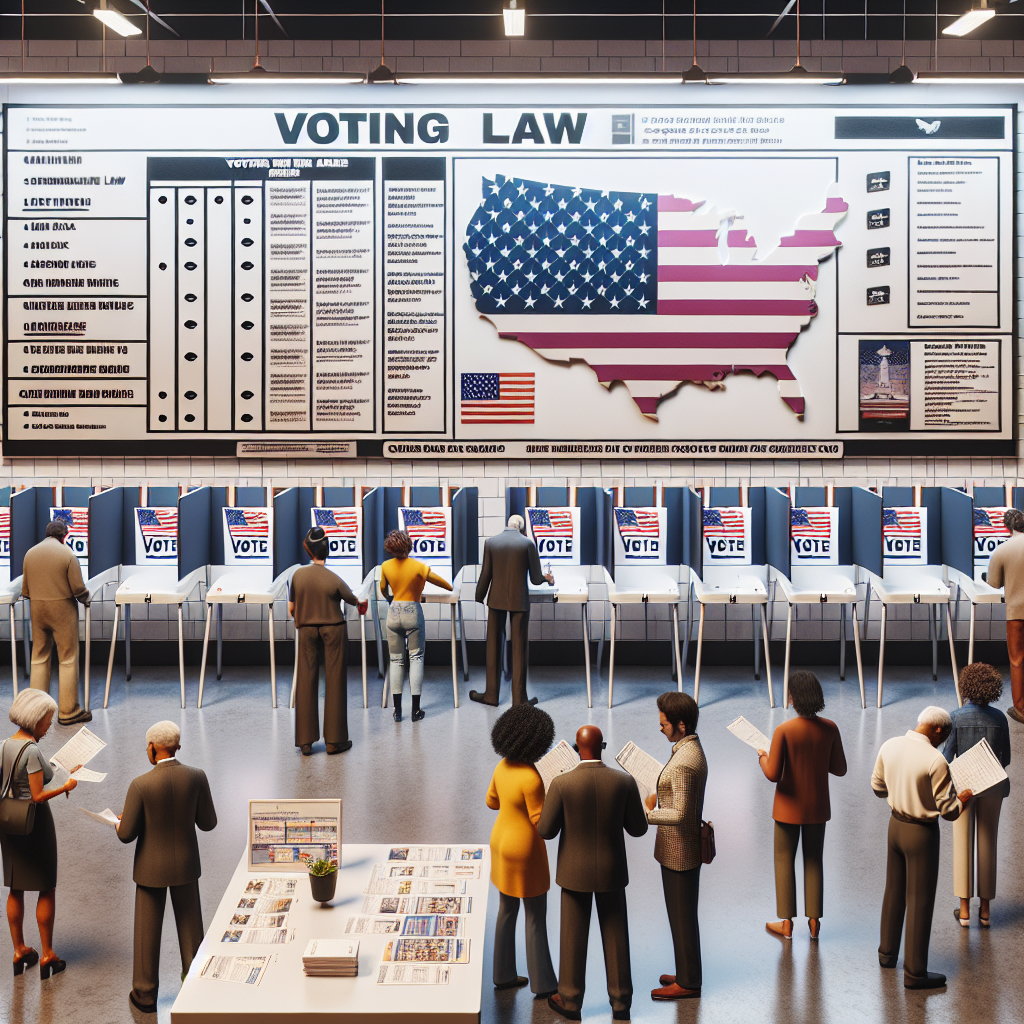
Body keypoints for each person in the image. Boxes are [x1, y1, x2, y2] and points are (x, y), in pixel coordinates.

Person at [537, 724, 648, 1022]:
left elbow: (546, 831)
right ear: (603, 746)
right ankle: (622, 1002)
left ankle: (571, 1001)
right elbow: (638, 829)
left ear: (577, 747)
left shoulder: (561, 783)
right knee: (616, 935)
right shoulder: (624, 782)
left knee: (572, 938)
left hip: (574, 874)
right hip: (613, 873)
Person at [116, 720, 217, 1014]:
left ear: (151, 748)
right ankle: (195, 988)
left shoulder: (140, 784)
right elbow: (208, 823)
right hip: (186, 866)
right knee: (191, 931)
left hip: (150, 870)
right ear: (177, 747)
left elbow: (126, 834)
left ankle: (145, 995)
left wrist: (120, 823)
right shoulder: (197, 776)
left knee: (147, 934)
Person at [871, 706, 973, 990]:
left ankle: (887, 954)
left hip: (895, 827)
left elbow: (878, 788)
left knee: (893, 891)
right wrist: (963, 799)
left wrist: (901, 789)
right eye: (944, 736)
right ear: (938, 730)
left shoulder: (889, 745)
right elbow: (949, 811)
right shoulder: (935, 760)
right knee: (920, 900)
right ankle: (915, 973)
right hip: (921, 834)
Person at [757, 671, 847, 941]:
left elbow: (773, 773)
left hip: (787, 808)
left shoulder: (784, 730)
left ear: (793, 699)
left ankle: (786, 924)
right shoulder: (830, 728)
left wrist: (763, 757)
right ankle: (814, 923)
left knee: (784, 860)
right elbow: (840, 769)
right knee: (814, 861)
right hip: (818, 808)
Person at [0, 689, 79, 979]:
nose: (49, 726)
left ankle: (19, 949)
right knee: (46, 886)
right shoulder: (32, 750)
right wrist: (66, 787)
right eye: (48, 720)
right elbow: (37, 795)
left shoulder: (4, 744)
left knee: (15, 887)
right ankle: (47, 955)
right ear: (36, 719)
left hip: (8, 824)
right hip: (34, 824)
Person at [485, 703, 558, 998]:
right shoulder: (532, 776)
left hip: (500, 841)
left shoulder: (501, 766)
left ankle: (502, 975)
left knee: (506, 909)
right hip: (525, 849)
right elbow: (541, 824)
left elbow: (491, 802)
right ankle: (543, 983)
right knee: (535, 915)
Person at [646, 692, 707, 1002]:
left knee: (681, 917)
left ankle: (688, 982)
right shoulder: (689, 748)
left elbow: (681, 813)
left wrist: (647, 813)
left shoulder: (684, 762)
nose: (660, 728)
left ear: (681, 725)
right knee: (682, 916)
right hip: (681, 850)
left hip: (679, 852)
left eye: (664, 723)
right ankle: (686, 972)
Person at [288, 527, 367, 755]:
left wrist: (305, 618)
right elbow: (355, 602)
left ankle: (305, 741)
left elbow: (291, 609)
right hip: (334, 630)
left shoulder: (298, 575)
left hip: (306, 630)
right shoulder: (334, 578)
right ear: (327, 550)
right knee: (335, 680)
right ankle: (334, 741)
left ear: (309, 551)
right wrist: (363, 605)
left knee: (306, 678)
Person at [944, 663, 1011, 928]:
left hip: (963, 789)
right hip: (993, 786)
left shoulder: (956, 718)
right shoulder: (1000, 719)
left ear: (966, 688)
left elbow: (946, 758)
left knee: (962, 845)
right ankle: (985, 911)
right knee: (988, 843)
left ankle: (964, 912)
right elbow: (1006, 759)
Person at [471, 515, 554, 708]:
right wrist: (547, 578)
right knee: (519, 649)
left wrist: (478, 595)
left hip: (495, 600)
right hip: (519, 602)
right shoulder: (527, 544)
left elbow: (486, 574)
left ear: (507, 526)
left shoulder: (491, 542)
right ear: (522, 529)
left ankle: (491, 695)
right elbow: (534, 578)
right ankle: (519, 699)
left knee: (493, 647)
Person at [22, 519, 92, 726]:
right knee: (68, 658)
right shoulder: (67, 554)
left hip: (37, 609)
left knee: (39, 656)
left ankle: (36, 711)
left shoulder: (30, 553)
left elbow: (25, 590)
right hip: (62, 610)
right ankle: (69, 711)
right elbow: (78, 589)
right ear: (65, 535)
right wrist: (87, 599)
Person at [379, 529, 452, 722]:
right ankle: (416, 711)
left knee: (395, 661)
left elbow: (382, 589)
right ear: (409, 546)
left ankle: (397, 712)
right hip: (413, 611)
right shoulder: (419, 567)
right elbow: (446, 585)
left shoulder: (385, 566)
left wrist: (391, 599)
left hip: (394, 612)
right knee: (416, 658)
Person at [985, 508, 1024, 724]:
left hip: (1016, 613)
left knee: (1017, 660)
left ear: (1006, 527)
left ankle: (1020, 708)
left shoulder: (1002, 550)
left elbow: (994, 582)